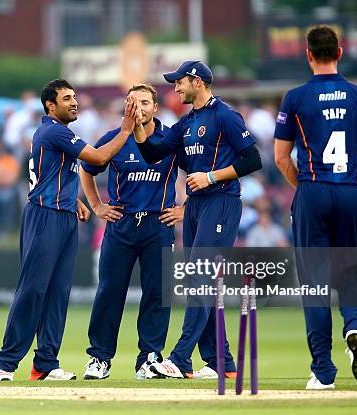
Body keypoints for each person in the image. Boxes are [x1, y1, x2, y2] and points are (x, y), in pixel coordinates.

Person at [0, 79, 138, 381]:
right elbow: (98, 158)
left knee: (58, 293)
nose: (74, 103)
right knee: (33, 290)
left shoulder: (61, 133)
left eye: (75, 97)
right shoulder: (53, 131)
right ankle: (6, 363)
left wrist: (76, 200)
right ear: (50, 105)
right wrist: (125, 130)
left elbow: (53, 175)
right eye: (67, 98)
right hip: (44, 217)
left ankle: (46, 362)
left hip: (65, 216)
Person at [273, 25, 357, 390]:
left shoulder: (295, 98)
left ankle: (323, 371)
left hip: (313, 191)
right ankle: (355, 323)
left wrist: (305, 188)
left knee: (314, 284)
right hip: (353, 190)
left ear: (308, 54)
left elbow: (280, 158)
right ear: (339, 53)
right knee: (350, 270)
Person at [132, 61, 262, 379]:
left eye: (179, 82)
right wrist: (134, 125)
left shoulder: (225, 115)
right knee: (202, 281)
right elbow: (153, 153)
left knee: (200, 278)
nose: (175, 88)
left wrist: (211, 177)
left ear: (197, 82)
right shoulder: (187, 122)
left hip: (221, 203)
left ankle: (180, 359)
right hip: (195, 207)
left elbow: (253, 159)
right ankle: (222, 362)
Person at [79, 84, 184, 380]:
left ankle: (149, 359)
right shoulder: (114, 138)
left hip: (158, 224)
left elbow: (198, 171)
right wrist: (97, 206)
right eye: (132, 102)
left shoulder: (170, 140)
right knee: (109, 292)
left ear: (155, 108)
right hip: (121, 224)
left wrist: (184, 210)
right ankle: (99, 358)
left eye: (145, 102)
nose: (138, 107)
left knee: (157, 294)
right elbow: (87, 169)